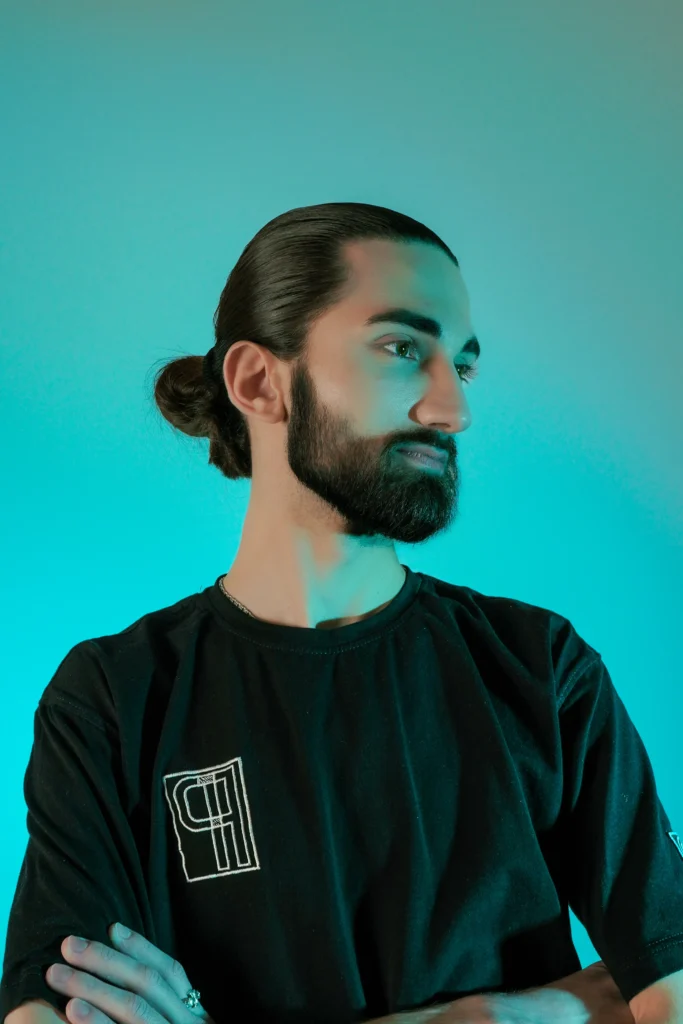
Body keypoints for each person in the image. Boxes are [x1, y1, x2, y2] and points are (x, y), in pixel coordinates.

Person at [2, 202, 683, 1024]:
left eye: (462, 368)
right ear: (258, 382)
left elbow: (671, 985)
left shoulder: (538, 665)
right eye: (402, 349)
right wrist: (515, 1014)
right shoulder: (115, 697)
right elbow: (51, 1013)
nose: (451, 409)